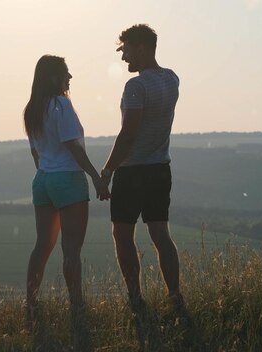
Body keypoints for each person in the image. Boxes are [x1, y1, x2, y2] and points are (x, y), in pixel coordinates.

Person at [100, 24, 185, 344]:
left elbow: (128, 134)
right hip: (161, 168)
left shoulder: (135, 87)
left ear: (140, 47)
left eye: (125, 50)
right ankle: (175, 296)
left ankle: (136, 298)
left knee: (122, 233)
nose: (123, 57)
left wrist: (107, 170)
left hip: (133, 171)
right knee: (161, 234)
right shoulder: (172, 78)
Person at [24, 54, 110, 351]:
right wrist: (96, 178)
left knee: (42, 246)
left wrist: (47, 176)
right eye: (65, 73)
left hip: (43, 180)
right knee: (71, 250)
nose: (70, 78)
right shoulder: (61, 105)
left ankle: (31, 304)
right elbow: (73, 146)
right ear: (53, 77)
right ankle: (76, 307)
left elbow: (36, 154)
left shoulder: (32, 109)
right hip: (68, 180)